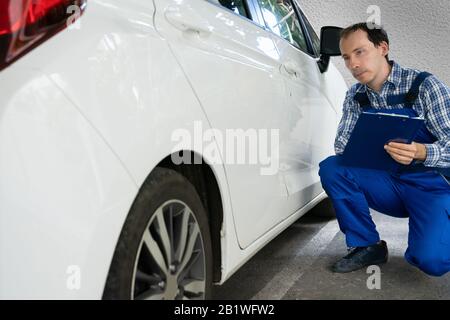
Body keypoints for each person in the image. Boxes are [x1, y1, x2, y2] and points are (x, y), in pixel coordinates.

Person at [318, 22, 450, 276]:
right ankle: (367, 245)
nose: (352, 64)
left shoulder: (424, 85)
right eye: (346, 58)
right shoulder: (356, 97)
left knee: (431, 261)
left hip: (430, 186)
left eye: (360, 52)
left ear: (383, 48)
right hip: (387, 181)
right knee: (333, 168)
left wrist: (422, 152)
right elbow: (342, 147)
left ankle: (437, 224)